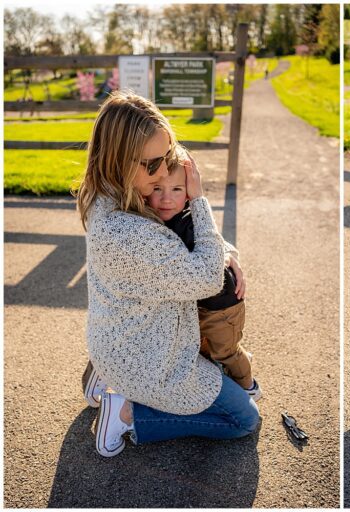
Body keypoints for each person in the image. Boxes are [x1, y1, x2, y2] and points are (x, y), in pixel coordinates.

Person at [75, 91, 259, 457]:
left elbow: (186, 241)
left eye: (167, 157)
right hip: (150, 358)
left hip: (120, 337)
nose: (163, 173)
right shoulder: (126, 231)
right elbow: (207, 278)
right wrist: (200, 199)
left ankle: (108, 372)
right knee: (244, 419)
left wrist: (225, 251)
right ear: (120, 159)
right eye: (153, 164)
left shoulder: (111, 193)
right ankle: (127, 412)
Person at [147, 144, 261, 400]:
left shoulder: (189, 223)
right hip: (199, 301)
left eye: (177, 189)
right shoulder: (152, 222)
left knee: (227, 351)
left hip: (222, 306)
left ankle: (248, 386)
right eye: (157, 189)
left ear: (188, 194)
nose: (166, 198)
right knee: (204, 344)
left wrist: (227, 253)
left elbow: (212, 243)